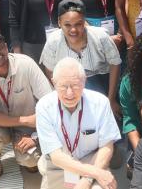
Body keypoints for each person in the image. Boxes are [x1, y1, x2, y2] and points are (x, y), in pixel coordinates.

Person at [0, 30, 53, 188]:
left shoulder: (25, 63)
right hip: (2, 124)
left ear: (6, 47)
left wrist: (35, 136)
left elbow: (49, 102)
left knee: (30, 162)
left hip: (28, 127)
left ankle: (27, 157)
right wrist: (23, 120)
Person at [35, 57, 120, 189]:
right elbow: (56, 157)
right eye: (63, 86)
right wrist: (93, 174)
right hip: (59, 166)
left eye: (75, 85)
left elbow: (107, 146)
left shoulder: (100, 102)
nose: (70, 93)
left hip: (93, 161)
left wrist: (86, 180)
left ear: (84, 81)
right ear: (53, 83)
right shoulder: (44, 106)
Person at [41, 0, 121, 110]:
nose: (73, 30)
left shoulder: (101, 37)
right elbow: (50, 71)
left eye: (78, 24)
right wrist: (63, 95)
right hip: (69, 87)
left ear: (84, 22)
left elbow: (115, 64)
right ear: (59, 23)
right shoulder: (53, 42)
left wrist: (110, 99)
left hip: (103, 83)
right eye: (67, 25)